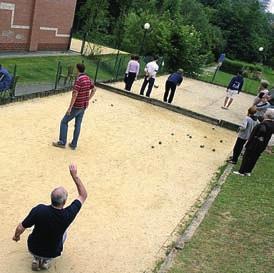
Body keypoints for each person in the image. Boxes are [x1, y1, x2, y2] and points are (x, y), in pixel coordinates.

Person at [12, 164, 87, 271]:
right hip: (52, 252)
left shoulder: (39, 210)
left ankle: (36, 259)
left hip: (33, 248)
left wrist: (16, 236)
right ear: (64, 202)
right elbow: (83, 195)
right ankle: (46, 261)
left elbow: (20, 227)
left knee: (33, 227)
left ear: (51, 198)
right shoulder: (68, 214)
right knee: (64, 233)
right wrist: (74, 176)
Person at [53, 63, 95, 149]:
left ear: (77, 69)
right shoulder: (87, 78)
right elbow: (94, 89)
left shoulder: (79, 80)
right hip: (84, 106)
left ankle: (62, 142)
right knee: (78, 124)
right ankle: (74, 144)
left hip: (77, 105)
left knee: (64, 121)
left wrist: (69, 108)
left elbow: (75, 94)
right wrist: (88, 99)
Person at [233, 109, 274, 176]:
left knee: (247, 157)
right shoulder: (272, 124)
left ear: (267, 115)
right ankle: (248, 171)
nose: (264, 113)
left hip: (254, 143)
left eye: (265, 112)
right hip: (263, 145)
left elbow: (262, 130)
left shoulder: (264, 123)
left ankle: (241, 171)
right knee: (254, 158)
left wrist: (259, 137)